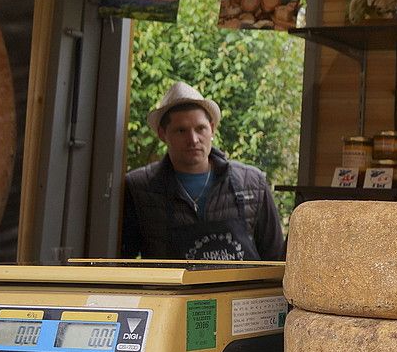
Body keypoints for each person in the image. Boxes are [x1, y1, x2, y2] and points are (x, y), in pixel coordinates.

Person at [122, 82, 285, 261]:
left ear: (212, 128)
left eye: (200, 129)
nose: (193, 140)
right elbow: (123, 259)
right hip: (172, 290)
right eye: (181, 131)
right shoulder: (140, 188)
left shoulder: (252, 183)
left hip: (242, 289)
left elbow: (275, 260)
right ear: (162, 134)